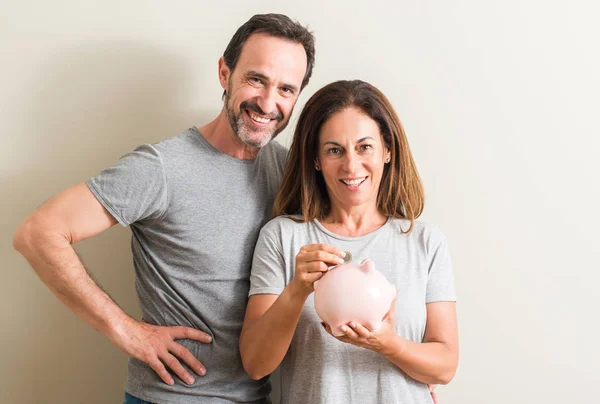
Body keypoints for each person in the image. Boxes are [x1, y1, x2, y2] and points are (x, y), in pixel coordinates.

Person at [13, 14, 315, 404]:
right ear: (225, 72)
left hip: (257, 396)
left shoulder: (289, 172)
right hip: (168, 398)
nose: (268, 102)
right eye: (256, 79)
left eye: (286, 89)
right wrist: (125, 329)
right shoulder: (162, 168)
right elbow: (38, 233)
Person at [239, 80, 459, 404]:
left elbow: (445, 366)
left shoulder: (425, 242)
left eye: (364, 146)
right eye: (334, 150)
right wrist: (297, 291)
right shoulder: (283, 238)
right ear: (315, 159)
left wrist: (387, 344)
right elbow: (256, 365)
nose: (351, 165)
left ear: (387, 151)